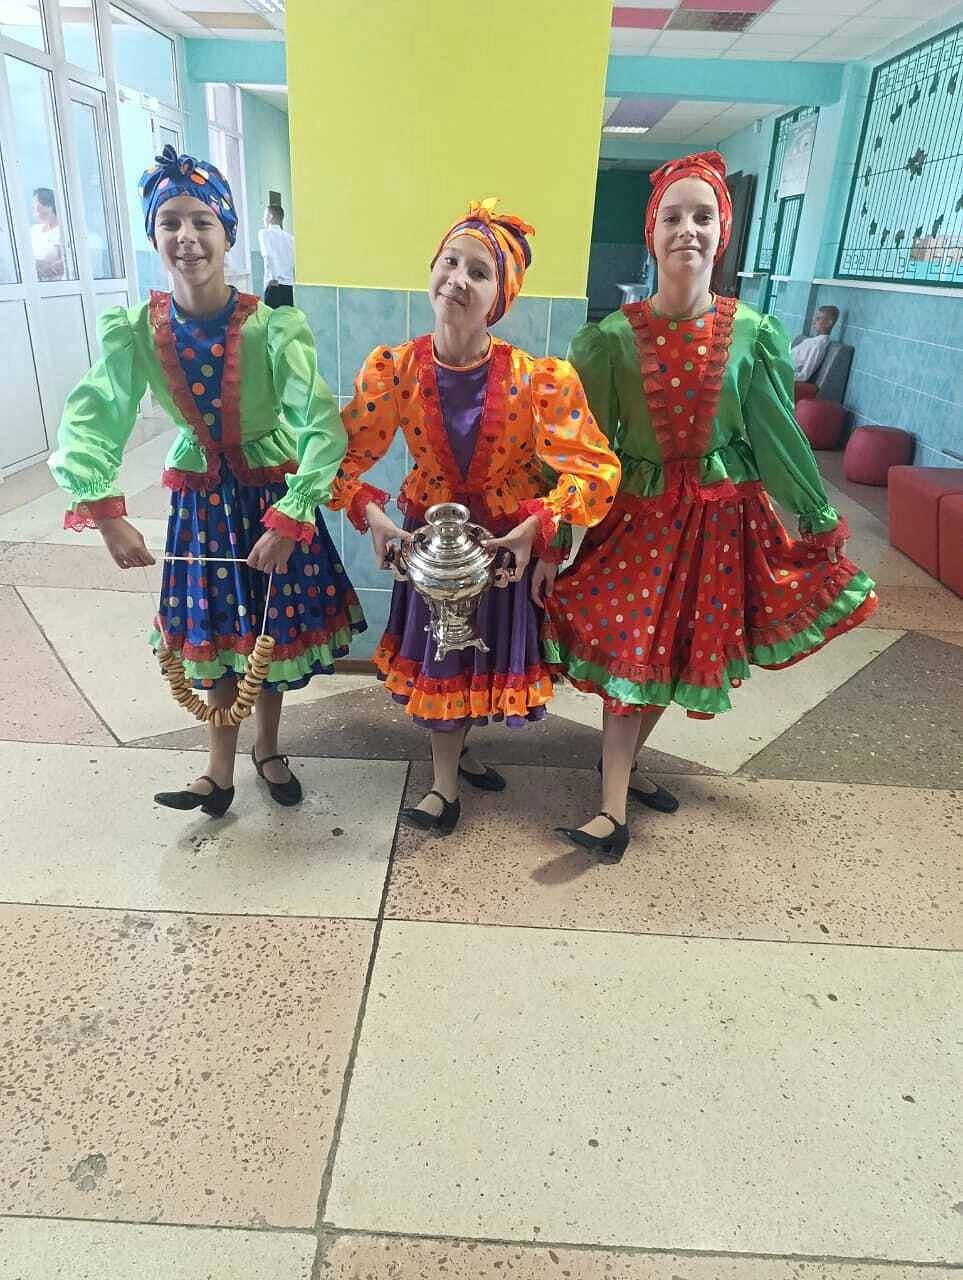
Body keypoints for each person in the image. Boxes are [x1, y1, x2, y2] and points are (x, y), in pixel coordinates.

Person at [544, 153, 877, 862]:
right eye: (672, 216)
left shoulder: (753, 332)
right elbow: (583, 445)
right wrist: (554, 529)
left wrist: (814, 513)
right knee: (633, 655)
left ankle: (622, 771)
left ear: (722, 232)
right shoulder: (609, 340)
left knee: (672, 654)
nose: (686, 230)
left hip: (721, 526)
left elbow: (775, 433)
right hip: (637, 524)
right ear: (651, 231)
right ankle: (610, 809)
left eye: (703, 216)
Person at [49, 145, 364, 816]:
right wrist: (105, 512)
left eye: (202, 221)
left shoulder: (273, 327)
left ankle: (268, 750)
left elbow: (320, 425)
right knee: (218, 634)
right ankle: (217, 772)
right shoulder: (138, 329)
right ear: (153, 237)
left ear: (228, 235)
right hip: (202, 504)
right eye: (170, 223)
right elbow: (94, 416)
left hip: (271, 495)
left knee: (270, 631)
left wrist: (294, 514)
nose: (186, 237)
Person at [330, 198, 621, 836]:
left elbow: (595, 468)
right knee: (441, 658)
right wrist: (373, 516)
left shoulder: (537, 379)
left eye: (479, 272)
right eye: (450, 262)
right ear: (432, 269)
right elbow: (340, 457)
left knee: (474, 658)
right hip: (431, 544)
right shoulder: (395, 369)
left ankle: (458, 755)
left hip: (500, 548)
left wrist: (540, 530)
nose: (458, 280)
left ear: (499, 298)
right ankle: (443, 785)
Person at [258, 203, 295, 309]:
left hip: (273, 284)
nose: (263, 219)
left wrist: (273, 278)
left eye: (265, 216)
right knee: (286, 317)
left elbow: (268, 256)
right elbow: (293, 261)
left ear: (270, 217)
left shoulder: (264, 233)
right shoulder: (290, 238)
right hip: (288, 286)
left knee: (273, 317)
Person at [791, 305, 839, 382]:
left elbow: (803, 376)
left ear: (828, 323)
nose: (813, 322)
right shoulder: (813, 340)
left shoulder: (818, 345)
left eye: (818, 319)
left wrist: (781, 375)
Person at [31, 187, 65, 282]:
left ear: (49, 205)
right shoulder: (33, 231)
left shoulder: (63, 232)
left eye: (36, 203)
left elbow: (62, 266)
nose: (33, 207)